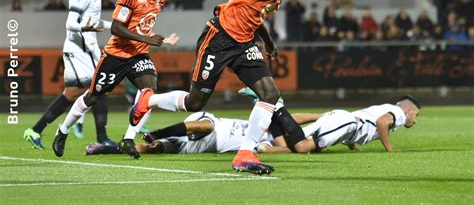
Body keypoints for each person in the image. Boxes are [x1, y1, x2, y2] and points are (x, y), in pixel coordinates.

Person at [128, 0, 347, 174]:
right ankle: (148, 101)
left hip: (243, 42)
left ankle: (245, 154)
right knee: (195, 103)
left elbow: (255, 14)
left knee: (270, 94)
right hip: (219, 38)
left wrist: (269, 42)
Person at [51, 0, 179, 158]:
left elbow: (141, 24)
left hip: (138, 54)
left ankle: (128, 139)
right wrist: (147, 39)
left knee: (149, 91)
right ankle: (63, 131)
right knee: (92, 96)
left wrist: (161, 39)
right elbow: (116, 28)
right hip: (116, 55)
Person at [24, 0, 115, 149]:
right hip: (80, 48)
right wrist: (86, 30)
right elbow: (71, 23)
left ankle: (35, 130)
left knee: (71, 93)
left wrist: (113, 26)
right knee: (100, 89)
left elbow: (91, 21)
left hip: (78, 47)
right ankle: (103, 139)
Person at [242, 89, 421, 154]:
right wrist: (390, 150)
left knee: (300, 137)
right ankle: (277, 106)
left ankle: (269, 114)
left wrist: (352, 145)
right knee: (302, 146)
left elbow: (371, 121)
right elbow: (381, 123)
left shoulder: (385, 106)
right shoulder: (399, 113)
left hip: (344, 121)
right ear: (409, 111)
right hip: (347, 123)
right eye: (416, 116)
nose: (415, 120)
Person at [85, 110, 321, 158]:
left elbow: (291, 148)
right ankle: (157, 132)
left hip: (202, 146)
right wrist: (321, 116)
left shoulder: (267, 146)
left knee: (153, 149)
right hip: (213, 124)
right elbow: (292, 117)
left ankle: (101, 148)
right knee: (205, 126)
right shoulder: (270, 126)